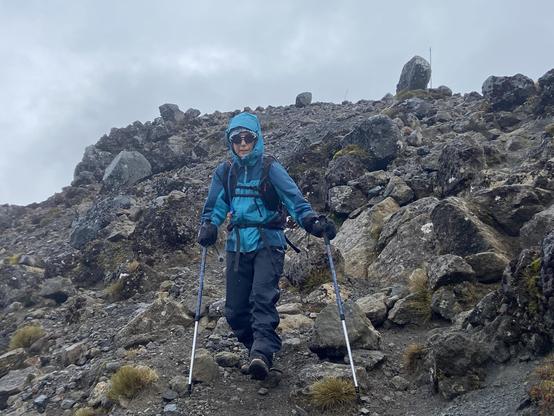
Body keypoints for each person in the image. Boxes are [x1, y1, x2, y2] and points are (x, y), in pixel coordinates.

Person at [197, 112, 336, 380]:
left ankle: (262, 352)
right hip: (237, 246)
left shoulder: (271, 168)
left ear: (257, 138)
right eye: (236, 139)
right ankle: (256, 348)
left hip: (268, 243)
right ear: (230, 142)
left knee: (261, 298)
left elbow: (295, 200)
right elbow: (215, 206)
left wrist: (312, 223)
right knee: (235, 311)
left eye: (248, 137)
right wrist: (209, 226)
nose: (243, 143)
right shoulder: (225, 172)